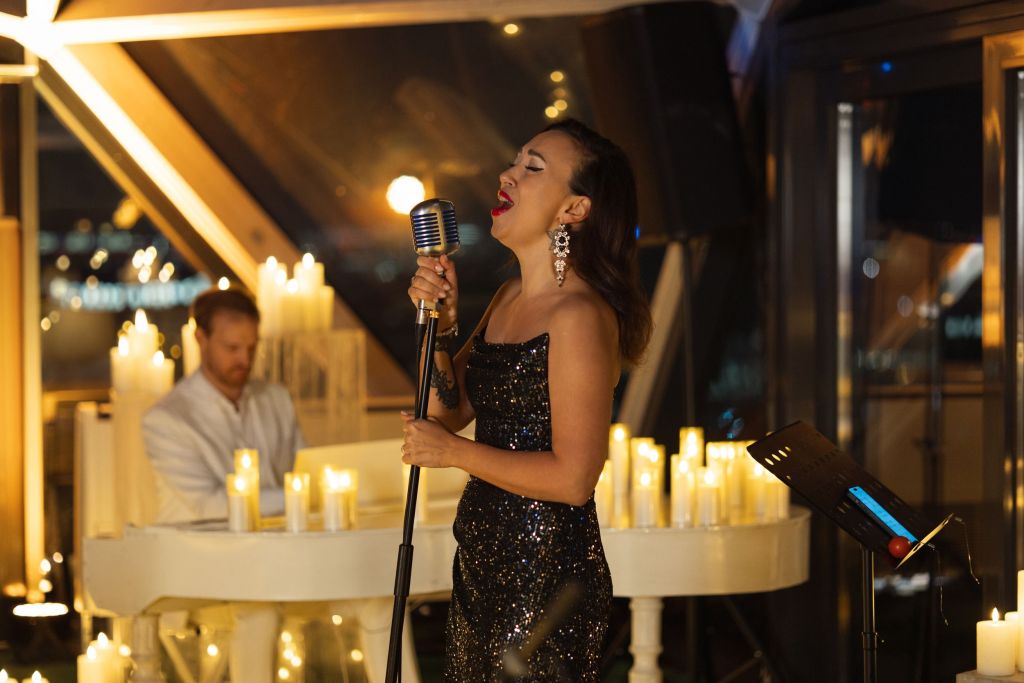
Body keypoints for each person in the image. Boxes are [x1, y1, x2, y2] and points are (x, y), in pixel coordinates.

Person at [402, 118, 652, 682]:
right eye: (515, 161)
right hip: (481, 563)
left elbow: (574, 479)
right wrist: (441, 324)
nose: (507, 175)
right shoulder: (507, 296)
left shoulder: (579, 316)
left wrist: (453, 454)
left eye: (532, 168)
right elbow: (444, 412)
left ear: (574, 210)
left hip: (546, 578)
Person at [142, 287, 304, 524]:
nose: (245, 360)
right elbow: (210, 504)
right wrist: (302, 495)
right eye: (232, 348)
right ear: (201, 339)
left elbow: (305, 468)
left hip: (276, 540)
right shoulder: (167, 419)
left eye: (252, 347)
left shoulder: (276, 399)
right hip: (200, 545)